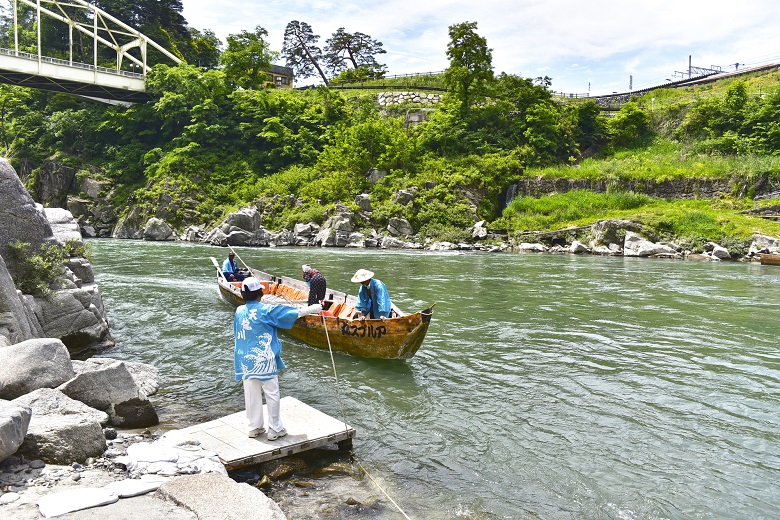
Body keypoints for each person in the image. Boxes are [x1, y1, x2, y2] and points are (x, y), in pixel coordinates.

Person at [233, 277, 321, 440]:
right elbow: (293, 313)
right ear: (260, 293)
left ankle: (254, 427)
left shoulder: (239, 311)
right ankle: (275, 429)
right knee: (272, 393)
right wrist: (313, 308)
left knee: (251, 394)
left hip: (244, 361)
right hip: (264, 360)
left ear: (243, 294)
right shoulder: (266, 310)